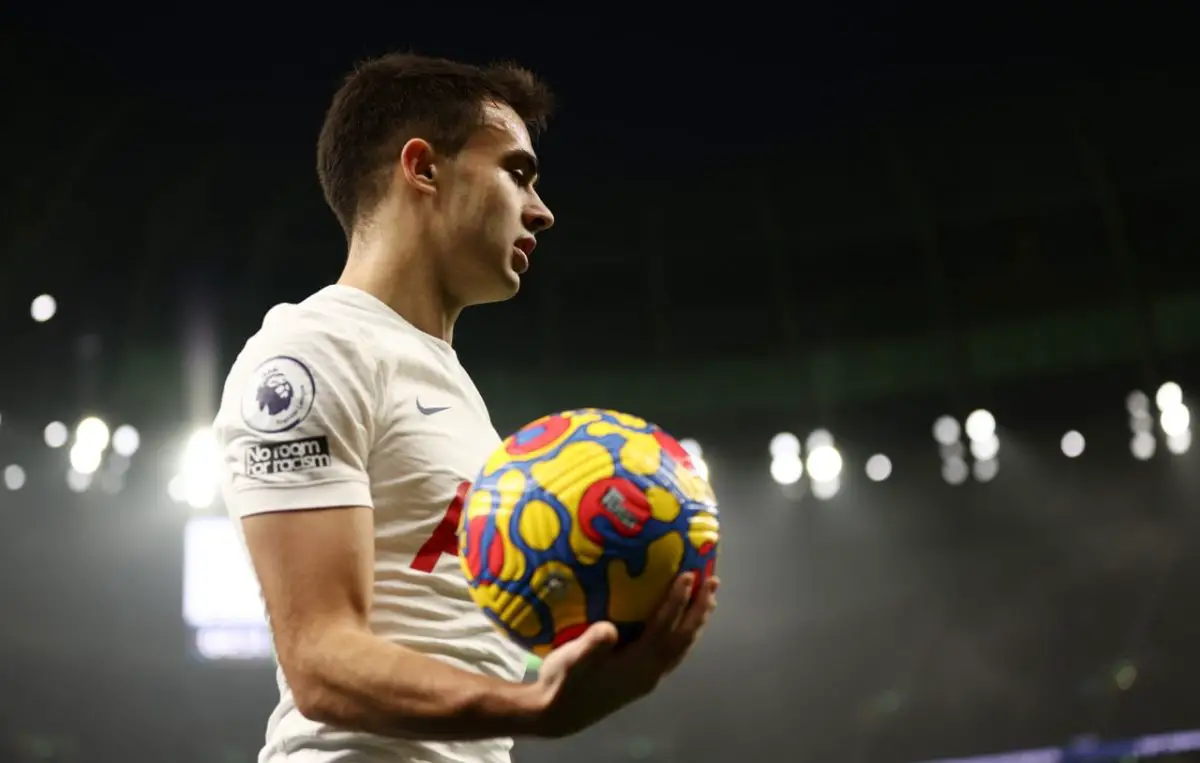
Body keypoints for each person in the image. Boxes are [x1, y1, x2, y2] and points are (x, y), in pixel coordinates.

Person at [212, 53, 719, 763]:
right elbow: (320, 659)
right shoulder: (309, 352)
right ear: (423, 168)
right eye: (517, 172)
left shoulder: (452, 391)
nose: (541, 210)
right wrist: (535, 704)